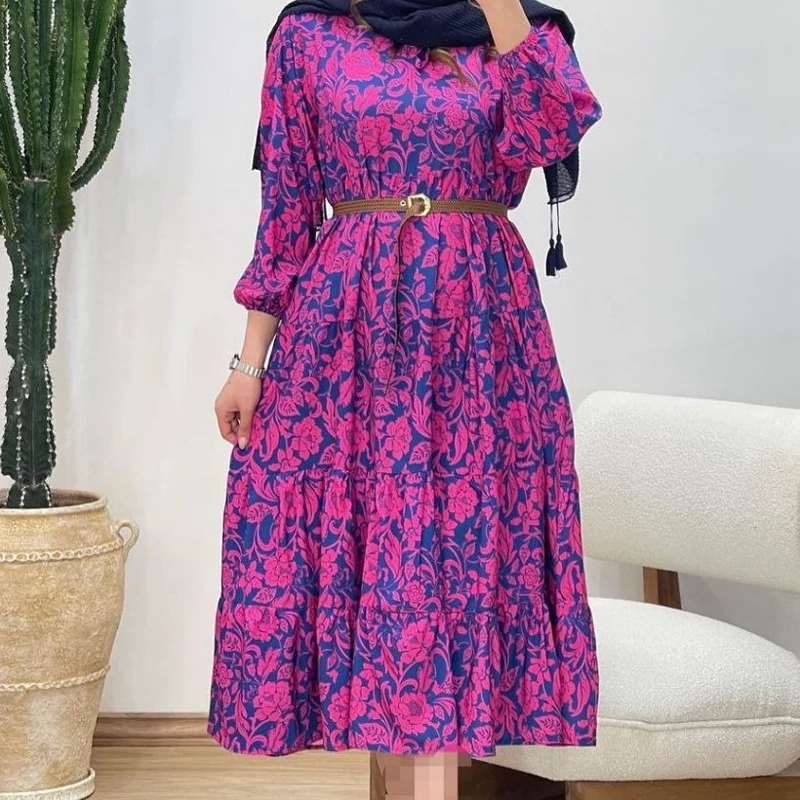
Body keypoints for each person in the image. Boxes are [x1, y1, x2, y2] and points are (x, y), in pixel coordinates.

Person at [210, 0, 602, 795]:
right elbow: (285, 207)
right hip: (345, 324)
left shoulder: (520, 30)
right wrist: (249, 362)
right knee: (371, 541)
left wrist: (499, 6)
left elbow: (550, 133)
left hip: (480, 329)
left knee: (456, 547)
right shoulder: (309, 33)